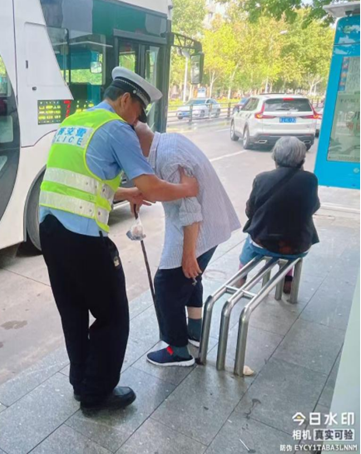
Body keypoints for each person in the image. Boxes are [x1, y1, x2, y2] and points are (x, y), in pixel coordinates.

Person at [39, 67, 199, 412]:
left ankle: (81, 382)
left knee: (73, 312)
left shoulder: (74, 122)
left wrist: (127, 193)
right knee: (113, 315)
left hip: (50, 232)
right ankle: (97, 393)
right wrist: (186, 189)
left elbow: (82, 182)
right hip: (82, 239)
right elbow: (152, 186)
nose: (138, 119)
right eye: (139, 110)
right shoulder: (117, 128)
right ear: (126, 99)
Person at [134, 125, 240, 367]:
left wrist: (189, 254)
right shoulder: (167, 143)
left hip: (198, 228)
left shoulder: (169, 158)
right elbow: (167, 189)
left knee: (166, 285)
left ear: (136, 144)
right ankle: (195, 331)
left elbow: (191, 212)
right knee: (191, 278)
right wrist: (138, 193)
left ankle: (178, 350)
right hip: (209, 224)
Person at [238, 136, 320, 293]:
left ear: (275, 156)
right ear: (301, 158)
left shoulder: (262, 178)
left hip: (263, 243)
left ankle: (241, 277)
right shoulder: (310, 180)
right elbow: (314, 207)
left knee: (249, 242)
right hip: (298, 245)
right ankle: (287, 280)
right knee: (290, 239)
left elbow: (250, 211)